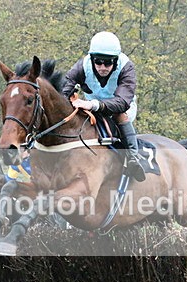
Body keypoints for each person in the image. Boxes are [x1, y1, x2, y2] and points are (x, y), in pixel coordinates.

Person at [61, 31, 146, 182]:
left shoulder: (126, 67)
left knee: (120, 115)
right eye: (98, 62)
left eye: (108, 63)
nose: (102, 67)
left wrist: (93, 105)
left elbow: (122, 102)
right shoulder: (82, 66)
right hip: (91, 104)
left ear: (115, 61)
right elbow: (64, 91)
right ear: (92, 58)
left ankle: (133, 157)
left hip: (120, 106)